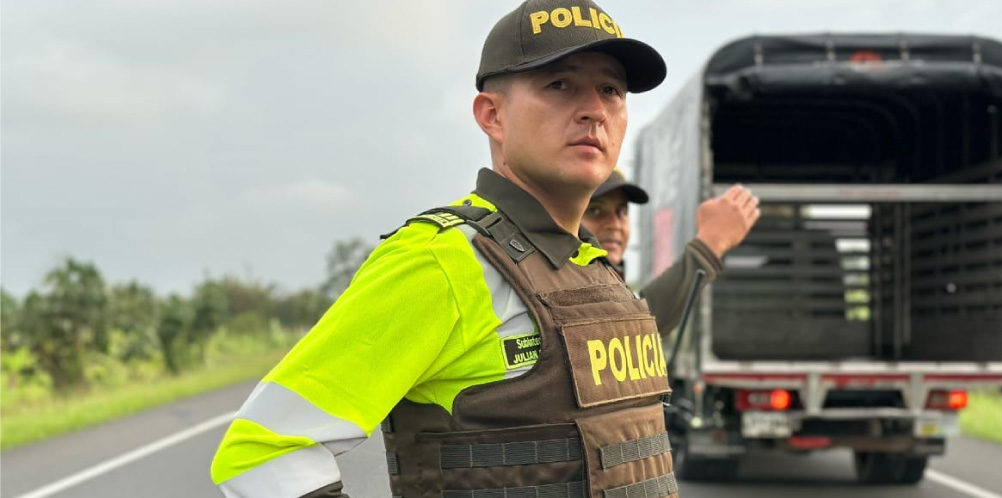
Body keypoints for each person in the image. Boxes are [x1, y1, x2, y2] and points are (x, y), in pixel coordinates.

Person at [209, 1, 682, 497]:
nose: (594, 110)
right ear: (492, 115)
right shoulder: (442, 259)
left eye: (611, 90)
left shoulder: (590, 263)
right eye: (559, 85)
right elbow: (260, 453)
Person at [583, 169, 759, 334]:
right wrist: (708, 247)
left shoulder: (614, 287)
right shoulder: (571, 286)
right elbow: (629, 328)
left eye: (621, 212)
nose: (615, 224)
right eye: (595, 210)